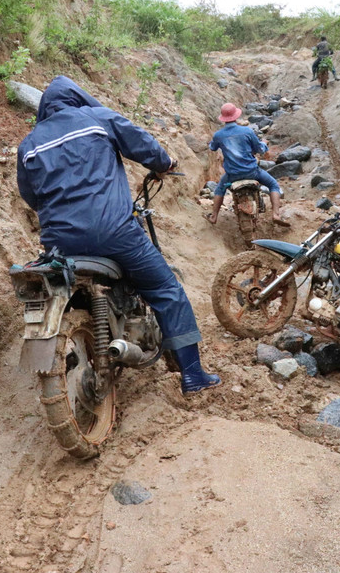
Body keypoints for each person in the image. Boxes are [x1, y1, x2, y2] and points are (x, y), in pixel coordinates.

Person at [16, 76, 220, 394]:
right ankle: (193, 375)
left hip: (59, 243)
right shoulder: (97, 118)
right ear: (78, 96)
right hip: (114, 232)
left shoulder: (29, 144)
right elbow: (144, 146)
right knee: (166, 290)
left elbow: (31, 197)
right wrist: (165, 163)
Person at [205, 102, 290, 227]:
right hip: (252, 172)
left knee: (220, 189)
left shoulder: (219, 135)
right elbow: (259, 149)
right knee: (273, 185)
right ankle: (276, 214)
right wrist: (264, 143)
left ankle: (214, 216)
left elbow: (212, 147)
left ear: (223, 118)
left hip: (232, 175)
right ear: (236, 116)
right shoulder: (247, 131)